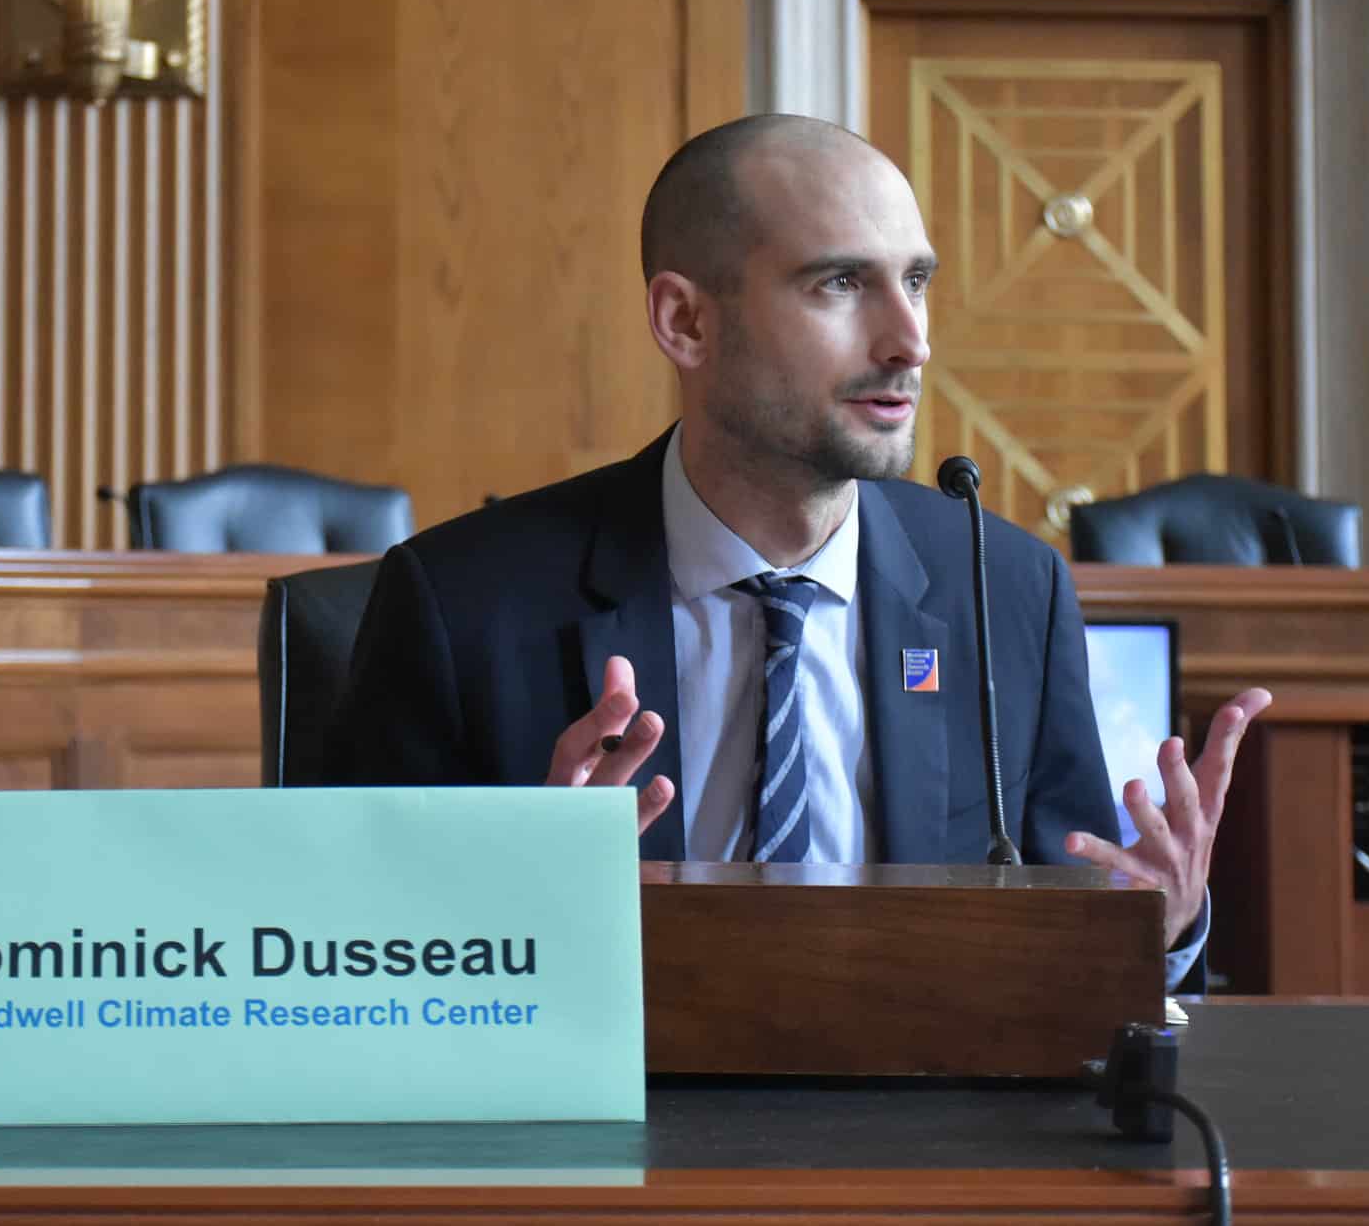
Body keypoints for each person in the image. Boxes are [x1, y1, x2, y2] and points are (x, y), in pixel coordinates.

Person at [326, 113, 1269, 989]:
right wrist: (514, 911)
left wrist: (1167, 922)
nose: (910, 341)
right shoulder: (462, 601)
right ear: (685, 322)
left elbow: (1079, 940)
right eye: (841, 283)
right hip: (610, 1139)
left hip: (924, 1139)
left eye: (916, 280)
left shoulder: (1006, 584)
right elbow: (337, 951)